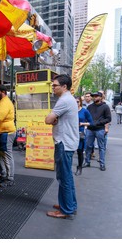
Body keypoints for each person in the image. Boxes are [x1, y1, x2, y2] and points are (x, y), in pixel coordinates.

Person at [45, 74, 78, 219]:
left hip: (64, 143)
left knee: (64, 177)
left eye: (55, 85)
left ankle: (65, 210)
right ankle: (69, 204)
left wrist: (52, 119)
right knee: (67, 177)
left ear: (64, 87)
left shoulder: (64, 100)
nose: (53, 87)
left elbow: (48, 119)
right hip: (67, 142)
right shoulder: (68, 99)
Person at [83, 91, 111, 171]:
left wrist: (99, 123)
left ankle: (102, 164)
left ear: (101, 97)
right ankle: (87, 162)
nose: (94, 97)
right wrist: (86, 123)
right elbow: (86, 117)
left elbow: (109, 119)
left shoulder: (105, 107)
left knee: (101, 147)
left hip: (100, 129)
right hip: (90, 130)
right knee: (88, 146)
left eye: (96, 96)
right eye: (93, 96)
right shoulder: (90, 107)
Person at [74, 96, 93, 176]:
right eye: (74, 102)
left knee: (79, 151)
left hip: (80, 133)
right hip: (70, 133)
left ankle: (79, 167)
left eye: (77, 102)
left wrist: (82, 123)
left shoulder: (84, 111)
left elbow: (91, 122)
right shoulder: (70, 111)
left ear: (80, 102)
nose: (76, 103)